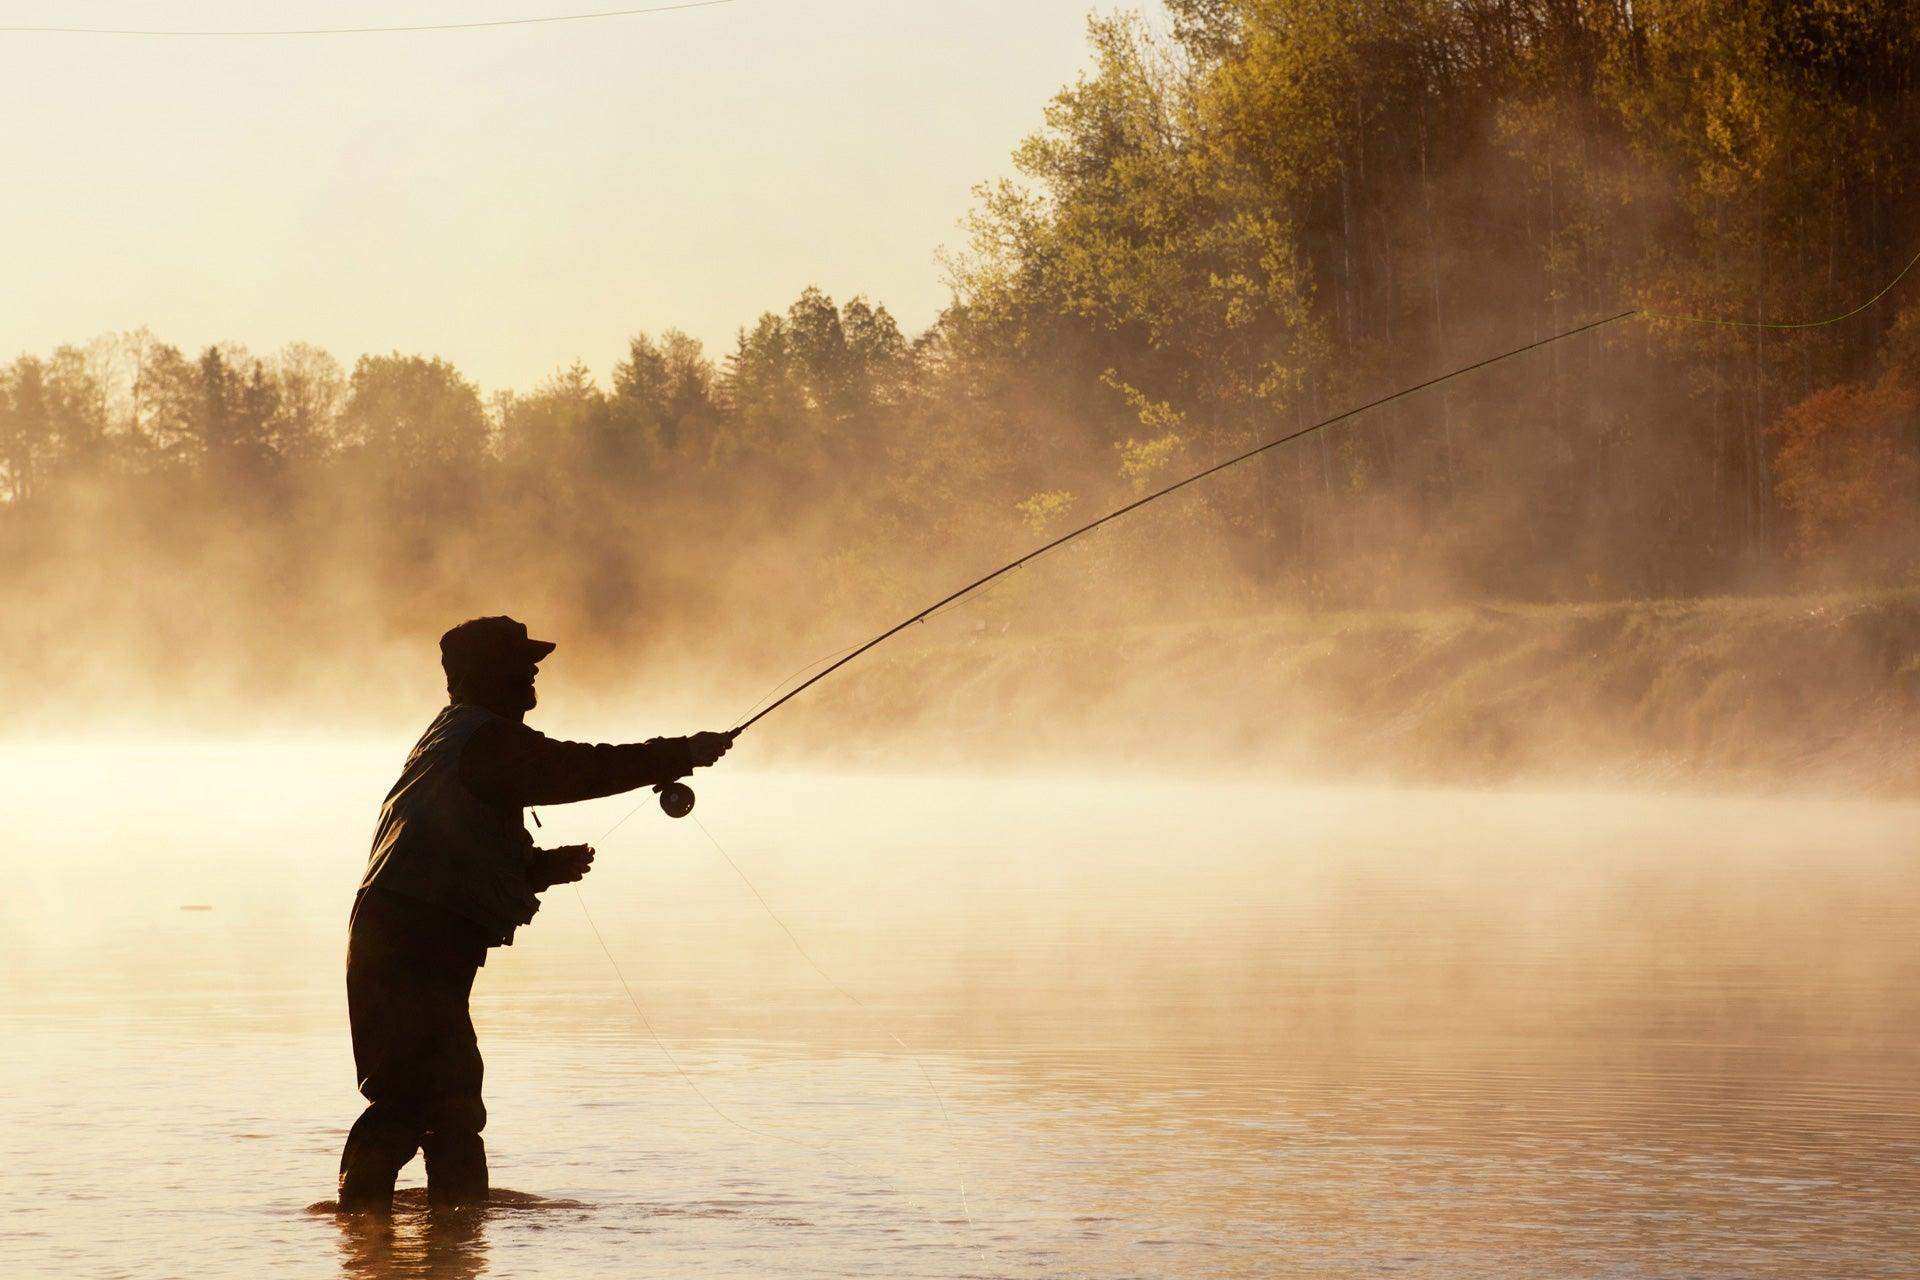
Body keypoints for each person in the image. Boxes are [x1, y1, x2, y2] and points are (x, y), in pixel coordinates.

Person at [337, 615, 733, 1213]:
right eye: (520, 665)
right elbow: (579, 770)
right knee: (416, 1099)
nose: (533, 674)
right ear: (482, 675)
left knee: (447, 1102)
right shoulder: (486, 740)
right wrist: (675, 755)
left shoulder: (456, 737)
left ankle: (445, 1240)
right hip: (408, 941)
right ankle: (366, 1234)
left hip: (406, 937)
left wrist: (540, 868)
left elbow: (454, 846)